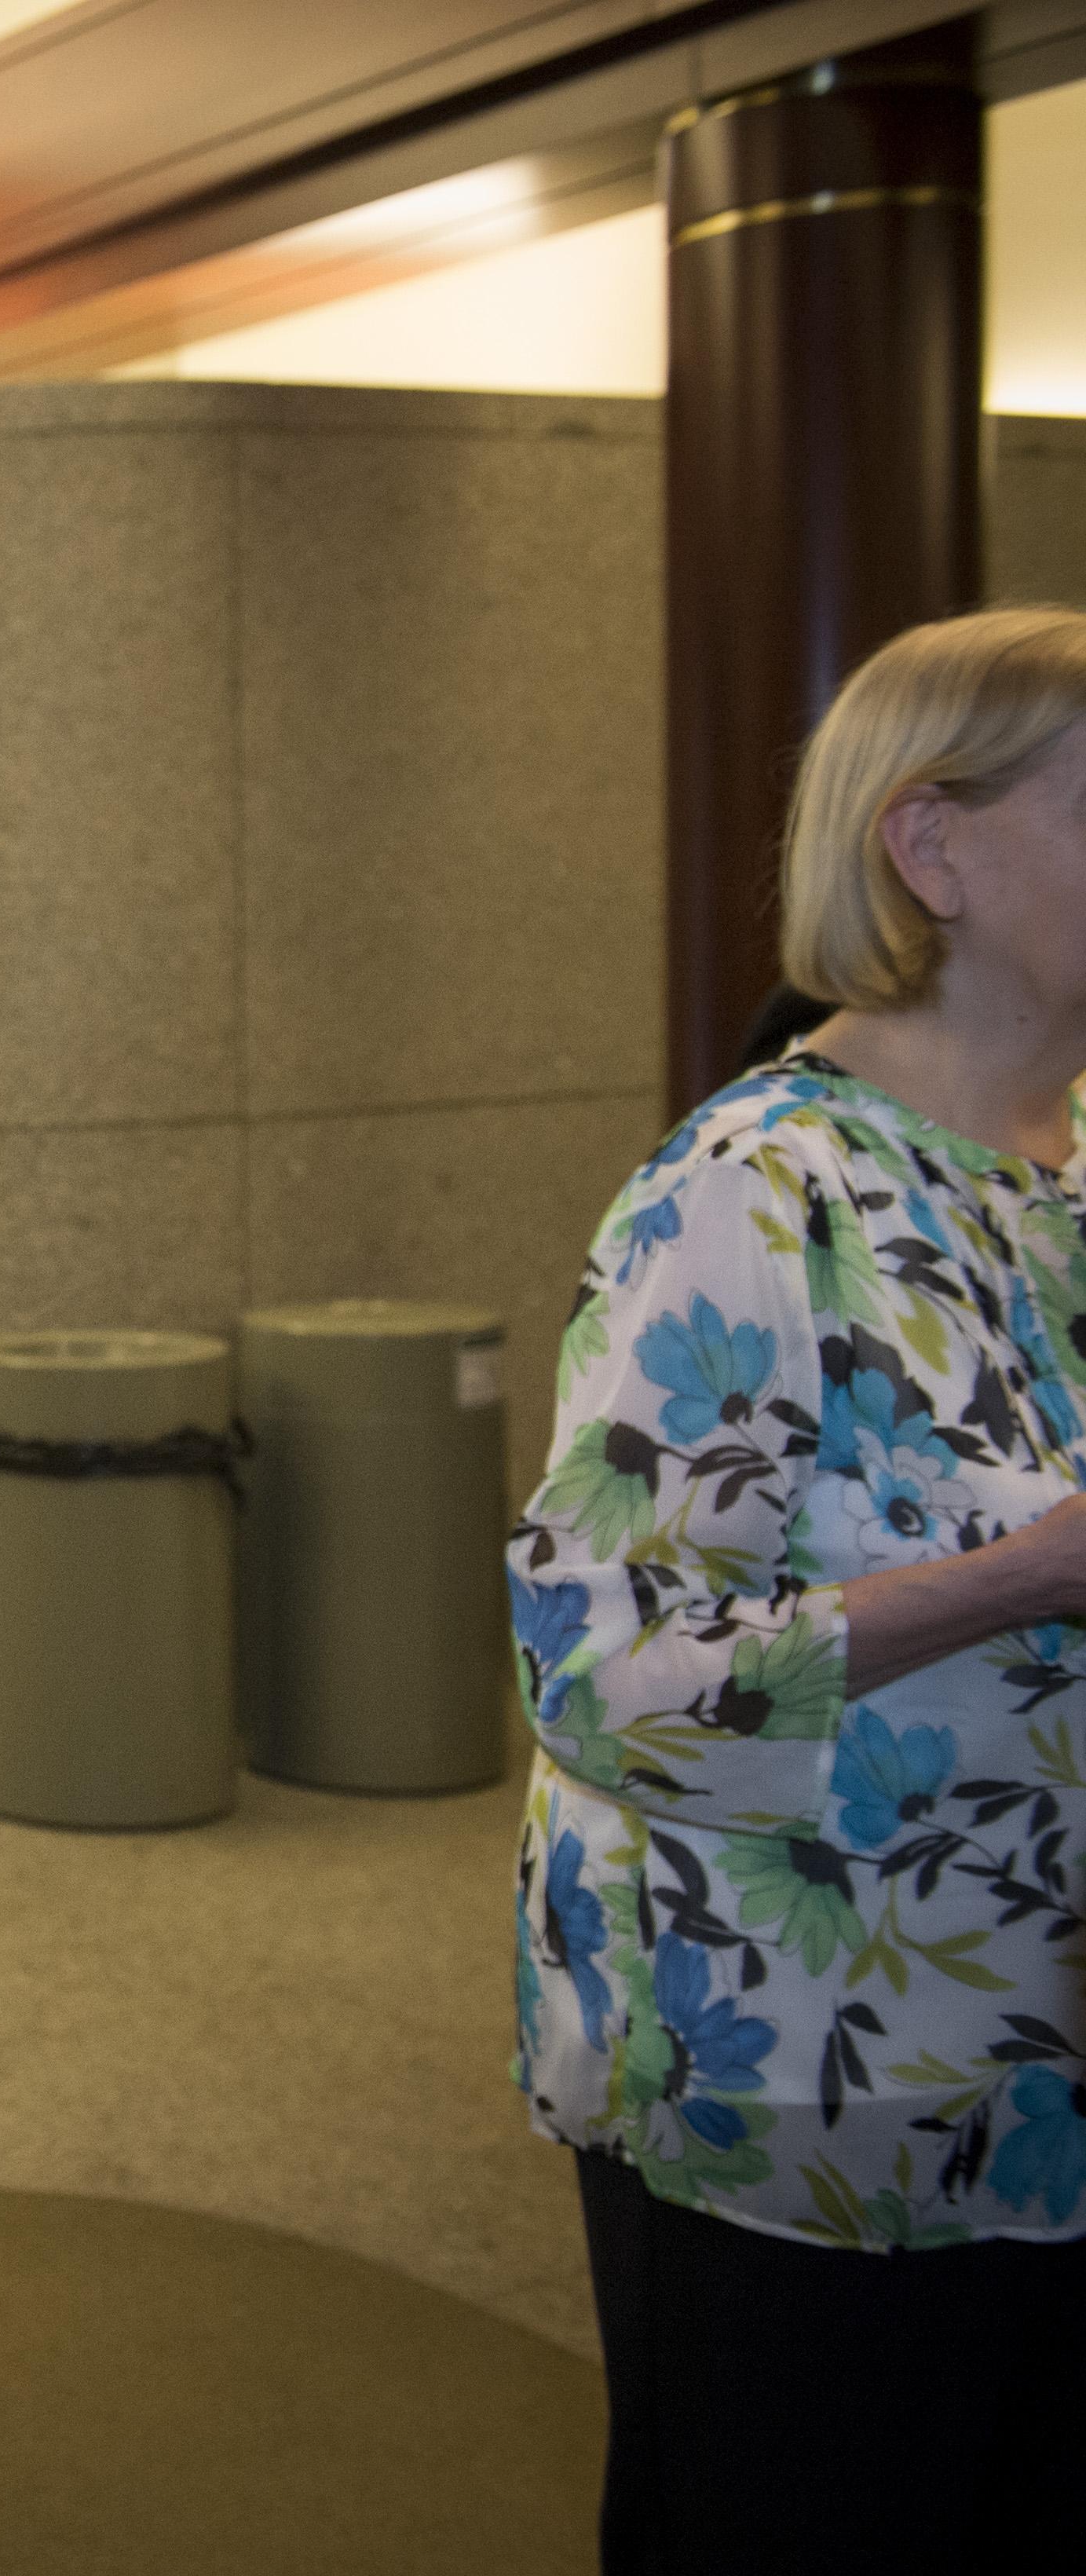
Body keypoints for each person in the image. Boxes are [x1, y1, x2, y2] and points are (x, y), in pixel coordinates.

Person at [509, 606, 1086, 2574]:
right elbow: (600, 1675)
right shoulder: (753, 1192)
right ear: (932, 846)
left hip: (1045, 2065)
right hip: (815, 2089)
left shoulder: (1069, 1165)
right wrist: (1025, 1575)